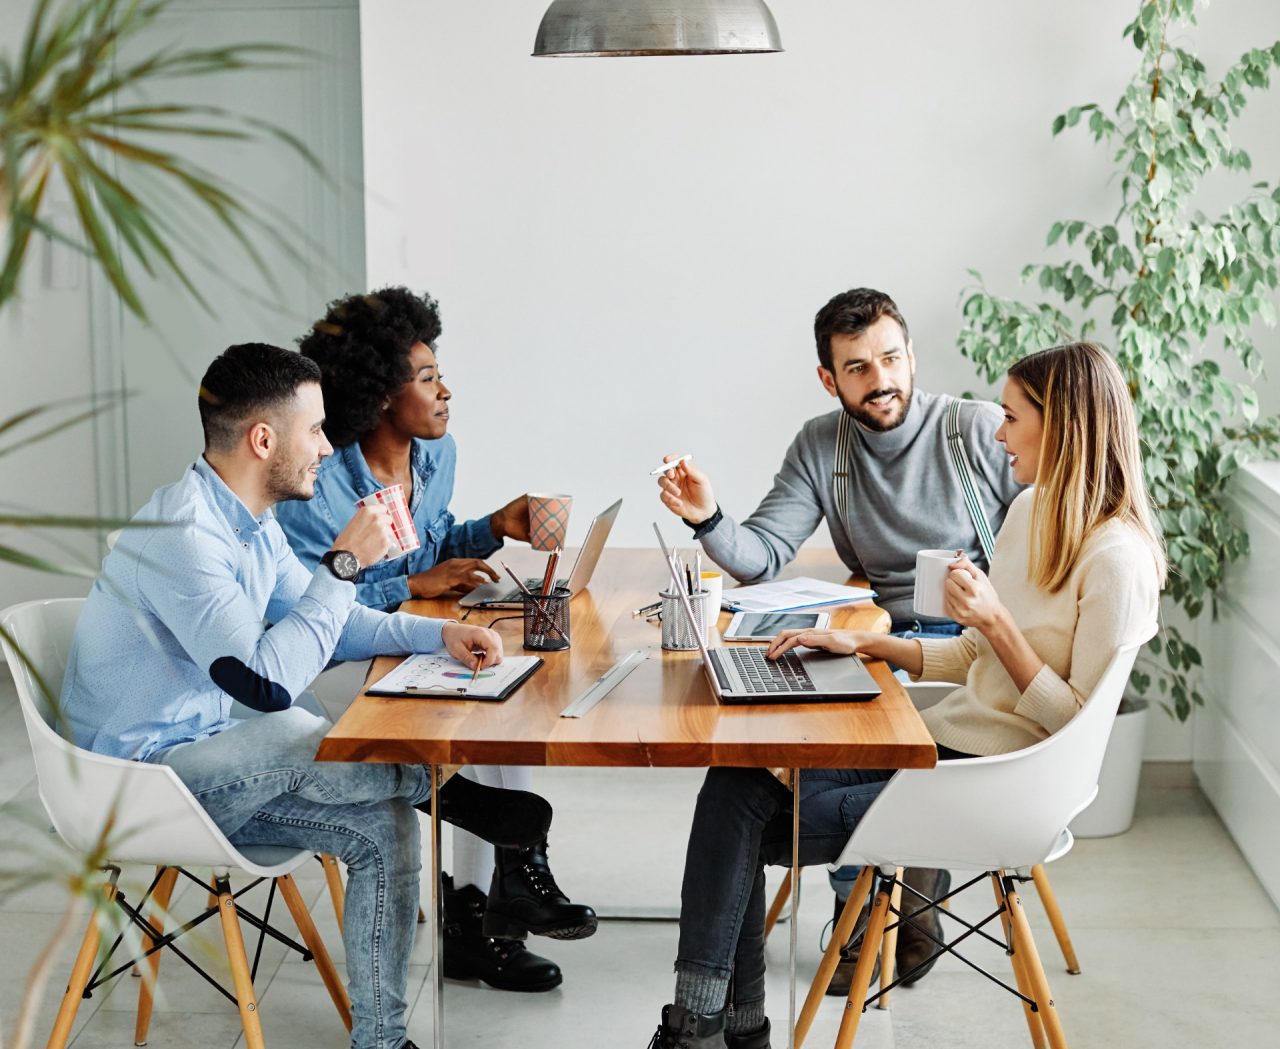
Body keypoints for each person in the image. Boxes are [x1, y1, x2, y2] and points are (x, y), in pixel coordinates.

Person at [648, 341, 1165, 1048]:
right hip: (940, 747)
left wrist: (995, 621)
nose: (997, 431)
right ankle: (717, 1027)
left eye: (1012, 417)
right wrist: (863, 644)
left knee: (732, 833)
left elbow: (1073, 726)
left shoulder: (1119, 560)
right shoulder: (1032, 513)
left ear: (1063, 426)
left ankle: (705, 1030)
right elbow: (974, 656)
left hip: (994, 785)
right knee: (735, 778)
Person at [60, 343, 556, 1049]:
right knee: (299, 722)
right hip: (135, 782)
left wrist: (433, 636)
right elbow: (262, 683)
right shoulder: (184, 533)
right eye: (316, 429)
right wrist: (345, 562)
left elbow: (330, 622)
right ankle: (446, 790)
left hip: (210, 758)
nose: (327, 446)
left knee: (384, 827)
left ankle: (380, 1039)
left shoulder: (252, 522)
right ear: (264, 440)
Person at [656, 287, 1025, 989]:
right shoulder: (823, 445)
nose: (880, 378)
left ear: (912, 355)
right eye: (857, 367)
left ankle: (881, 911)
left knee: (849, 742)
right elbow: (762, 550)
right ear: (830, 379)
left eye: (890, 358)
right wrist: (708, 517)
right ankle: (878, 896)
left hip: (972, 644)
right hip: (873, 637)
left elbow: (1041, 549)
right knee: (763, 744)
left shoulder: (975, 431)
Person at [276, 287, 596, 995]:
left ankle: (482, 913)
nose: (445, 389)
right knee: (476, 713)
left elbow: (431, 548)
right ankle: (495, 903)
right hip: (330, 659)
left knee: (502, 695)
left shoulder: (435, 453)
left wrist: (492, 526)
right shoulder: (321, 482)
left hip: (402, 637)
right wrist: (410, 587)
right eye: (426, 378)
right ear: (380, 394)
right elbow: (308, 603)